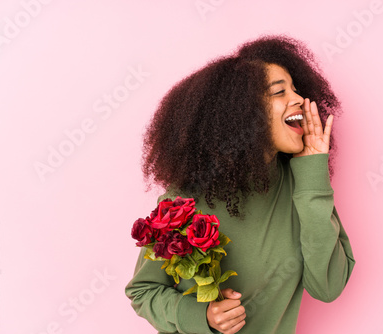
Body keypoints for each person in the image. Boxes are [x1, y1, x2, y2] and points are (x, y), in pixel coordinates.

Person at [125, 34, 356, 334]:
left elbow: (328, 286)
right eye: (279, 92)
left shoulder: (304, 186)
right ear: (243, 112)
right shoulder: (186, 201)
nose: (298, 99)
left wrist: (313, 172)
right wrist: (202, 317)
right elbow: (143, 291)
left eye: (296, 89)